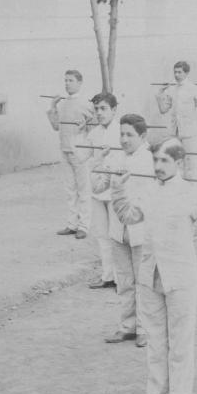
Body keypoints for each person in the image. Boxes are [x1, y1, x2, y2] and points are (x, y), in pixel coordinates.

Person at [112, 138, 197, 394]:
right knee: (155, 337)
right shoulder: (148, 191)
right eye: (156, 161)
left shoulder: (190, 193)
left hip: (181, 277)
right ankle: (157, 391)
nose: (158, 166)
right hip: (151, 275)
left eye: (164, 161)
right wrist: (119, 187)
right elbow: (128, 215)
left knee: (181, 339)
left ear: (179, 163)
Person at [103, 114, 151, 348]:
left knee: (144, 281)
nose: (124, 139)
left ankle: (144, 328)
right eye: (121, 134)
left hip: (140, 231)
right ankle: (127, 326)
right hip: (118, 229)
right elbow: (97, 185)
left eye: (129, 135)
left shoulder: (151, 160)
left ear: (142, 136)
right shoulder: (115, 157)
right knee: (124, 281)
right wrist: (103, 165)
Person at [46, 70, 94, 239]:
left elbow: (95, 127)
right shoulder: (63, 103)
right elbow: (56, 127)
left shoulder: (87, 103)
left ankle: (84, 226)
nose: (67, 83)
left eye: (71, 80)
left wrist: (86, 125)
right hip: (64, 150)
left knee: (83, 189)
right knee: (70, 189)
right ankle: (72, 224)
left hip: (79, 151)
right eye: (65, 80)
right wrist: (52, 106)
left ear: (80, 83)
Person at [87, 92, 122, 289]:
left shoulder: (122, 132)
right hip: (97, 189)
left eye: (104, 109)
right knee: (101, 233)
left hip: (116, 189)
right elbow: (86, 159)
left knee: (116, 234)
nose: (99, 113)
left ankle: (120, 278)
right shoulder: (93, 134)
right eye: (96, 109)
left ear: (114, 110)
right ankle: (107, 276)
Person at [155, 61, 197, 178]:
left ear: (186, 73)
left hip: (190, 133)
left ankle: (191, 191)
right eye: (175, 72)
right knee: (175, 163)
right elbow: (163, 110)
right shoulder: (171, 89)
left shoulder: (194, 89)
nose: (177, 75)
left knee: (191, 165)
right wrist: (159, 93)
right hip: (175, 133)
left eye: (179, 72)